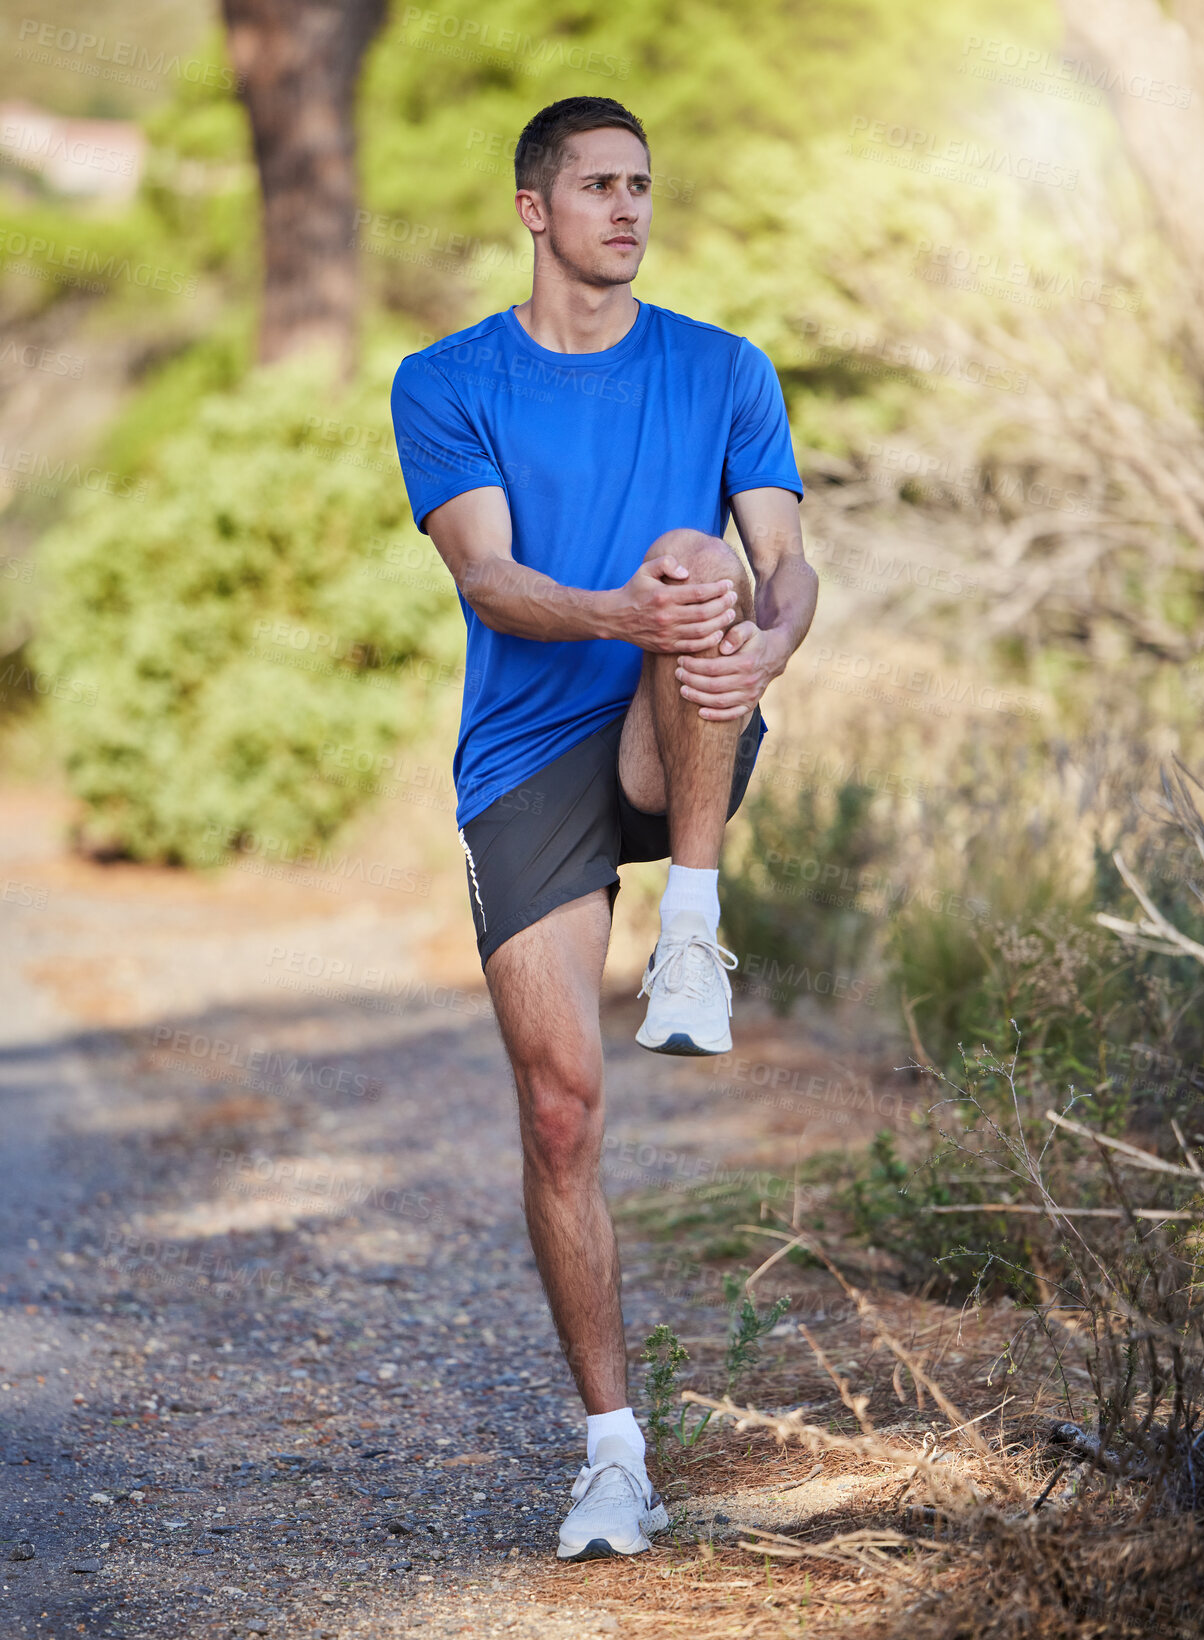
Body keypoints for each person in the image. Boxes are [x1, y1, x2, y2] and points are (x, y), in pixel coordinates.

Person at [390, 94, 818, 1563]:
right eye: (596, 187)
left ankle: (691, 930)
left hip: (673, 723)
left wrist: (764, 643)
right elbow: (491, 581)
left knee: (698, 556)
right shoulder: (444, 379)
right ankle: (613, 1458)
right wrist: (628, 608)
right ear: (533, 210)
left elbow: (785, 566)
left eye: (641, 185)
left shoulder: (721, 368)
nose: (628, 210)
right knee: (561, 1105)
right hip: (524, 752)